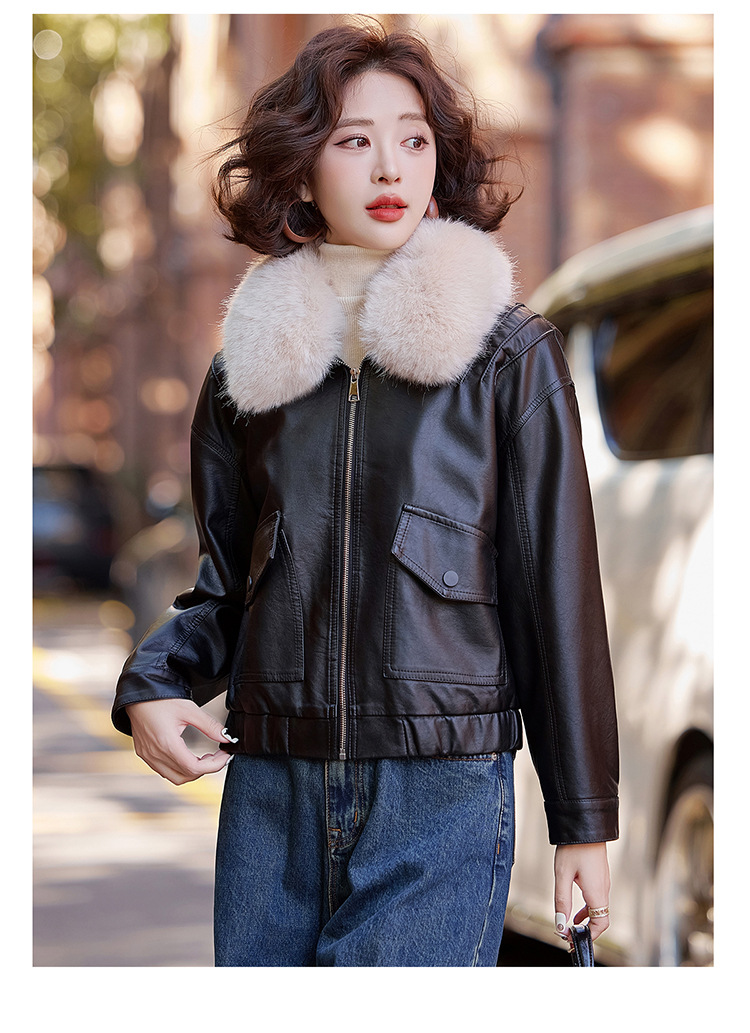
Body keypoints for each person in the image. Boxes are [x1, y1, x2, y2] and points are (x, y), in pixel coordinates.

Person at [112, 22, 618, 967]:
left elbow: (557, 601)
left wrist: (582, 820)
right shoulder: (247, 370)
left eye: (413, 140)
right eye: (354, 140)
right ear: (303, 171)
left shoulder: (508, 356)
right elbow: (228, 588)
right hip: (271, 792)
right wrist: (153, 682)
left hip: (441, 792)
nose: (390, 166)